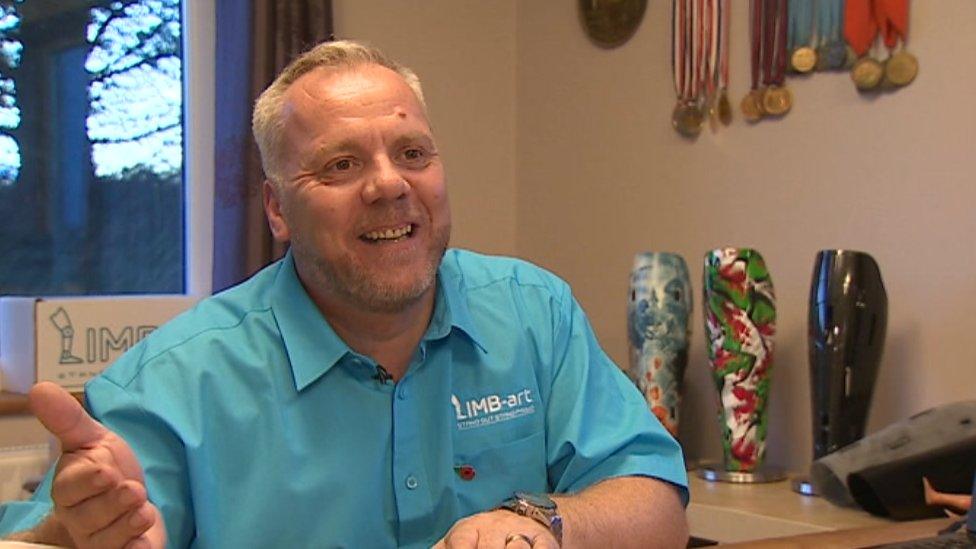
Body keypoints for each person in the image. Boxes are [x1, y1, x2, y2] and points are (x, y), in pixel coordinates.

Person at [0, 40, 689, 548]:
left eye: (413, 153)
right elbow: (46, 540)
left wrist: (545, 522)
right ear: (275, 210)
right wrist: (74, 529)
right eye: (341, 163)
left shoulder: (534, 314)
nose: (390, 184)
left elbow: (658, 502)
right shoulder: (175, 383)